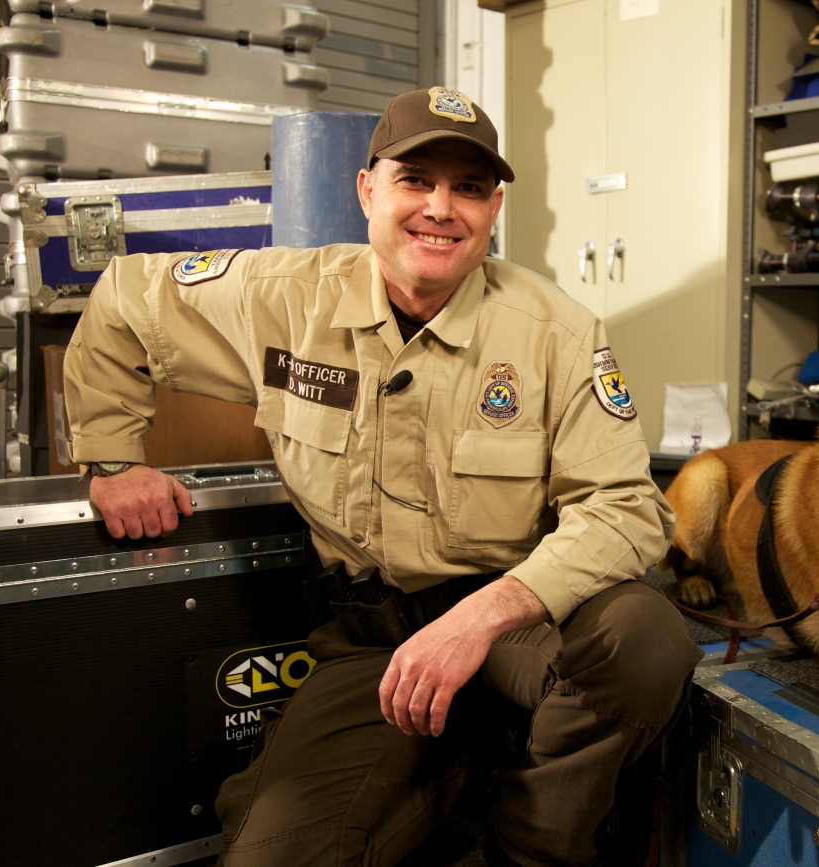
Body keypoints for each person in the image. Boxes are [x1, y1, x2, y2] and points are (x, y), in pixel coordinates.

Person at [63, 87, 702, 867]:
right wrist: (112, 458)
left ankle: (531, 844)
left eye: (469, 188)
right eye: (415, 180)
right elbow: (123, 301)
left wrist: (479, 620)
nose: (441, 208)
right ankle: (458, 771)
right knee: (274, 857)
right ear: (367, 190)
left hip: (520, 629)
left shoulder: (555, 333)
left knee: (643, 638)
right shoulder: (282, 301)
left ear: (494, 209)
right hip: (374, 646)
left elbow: (627, 510)